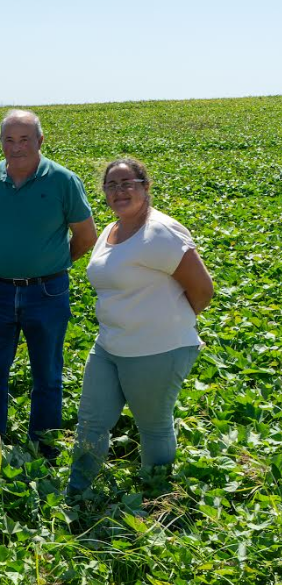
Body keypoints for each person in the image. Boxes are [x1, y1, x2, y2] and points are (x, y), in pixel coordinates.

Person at [67, 158, 213, 492]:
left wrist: (166, 321)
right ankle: (78, 493)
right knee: (90, 423)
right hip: (109, 346)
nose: (120, 191)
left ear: (145, 186)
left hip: (156, 349)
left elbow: (203, 290)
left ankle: (156, 497)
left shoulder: (159, 232)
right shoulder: (111, 229)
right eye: (112, 185)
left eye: (127, 183)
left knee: (153, 427)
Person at [0, 109, 97, 456]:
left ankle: (44, 447)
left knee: (48, 373)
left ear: (40, 141)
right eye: (9, 140)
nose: (16, 147)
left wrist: (56, 263)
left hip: (47, 291)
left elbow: (85, 235)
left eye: (25, 139)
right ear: (1, 143)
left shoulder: (63, 181)